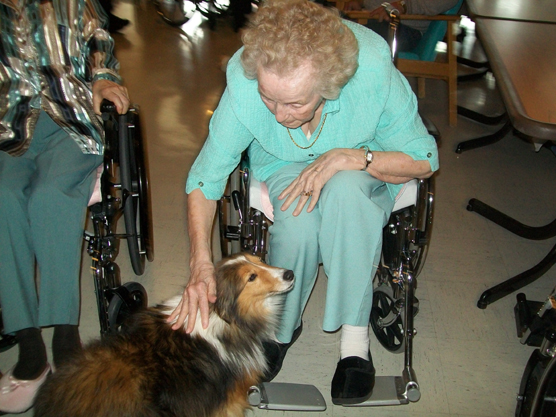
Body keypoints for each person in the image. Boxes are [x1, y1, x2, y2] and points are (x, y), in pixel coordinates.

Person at [169, 0, 438, 405]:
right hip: (283, 160)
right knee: (297, 219)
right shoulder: (244, 83)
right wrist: (200, 265)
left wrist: (352, 157)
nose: (279, 115)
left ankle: (354, 342)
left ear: (330, 87)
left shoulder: (370, 72)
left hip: (361, 157)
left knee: (347, 192)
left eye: (294, 103)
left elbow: (424, 160)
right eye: (269, 98)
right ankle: (281, 327)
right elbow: (205, 179)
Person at [0, 0, 129, 413]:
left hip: (69, 118)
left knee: (50, 196)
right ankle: (29, 346)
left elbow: (99, 44)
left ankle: (64, 335)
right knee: (3, 198)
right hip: (8, 123)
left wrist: (104, 79)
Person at [347, 0, 460, 52]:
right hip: (374, 18)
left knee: (346, 39)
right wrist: (362, 2)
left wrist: (403, 5)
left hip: (405, 27)